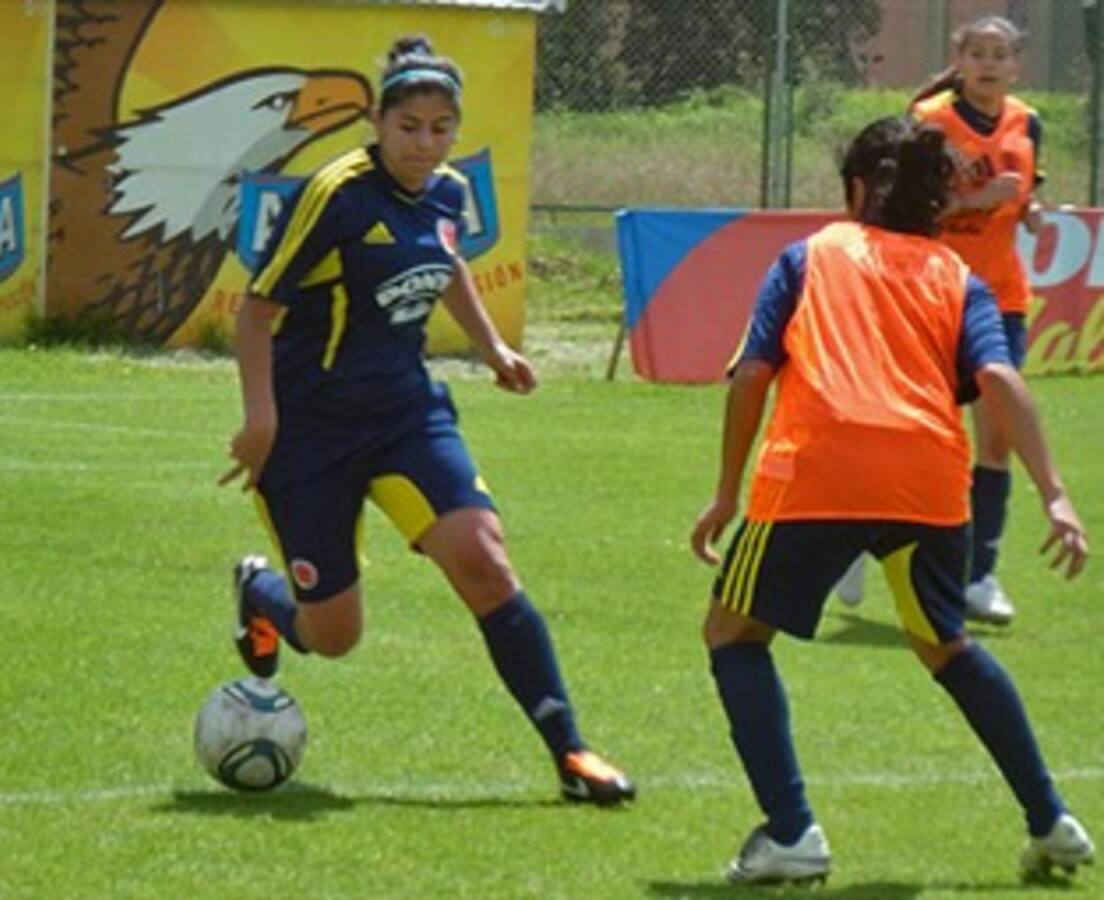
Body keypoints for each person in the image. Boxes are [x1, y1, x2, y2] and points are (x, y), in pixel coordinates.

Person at [217, 35, 634, 806]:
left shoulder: (445, 192)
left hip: (406, 415)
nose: (425, 142)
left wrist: (493, 348)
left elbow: (446, 264)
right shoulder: (337, 193)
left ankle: (571, 751)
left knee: (485, 561)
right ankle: (263, 595)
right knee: (334, 637)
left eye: (441, 127)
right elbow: (256, 309)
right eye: (409, 126)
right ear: (377, 121)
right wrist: (261, 420)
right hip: (310, 432)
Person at [690, 116, 1093, 885]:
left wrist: (724, 494)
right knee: (947, 647)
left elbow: (750, 376)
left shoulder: (808, 256)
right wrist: (1057, 496)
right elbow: (1001, 381)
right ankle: (1052, 821)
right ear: (938, 204)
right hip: (930, 482)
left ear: (853, 190)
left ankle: (791, 832)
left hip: (818, 470)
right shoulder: (959, 278)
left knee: (733, 634)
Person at [835, 16, 1044, 624]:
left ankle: (980, 575)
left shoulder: (1027, 120)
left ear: (1015, 66)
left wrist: (1026, 208)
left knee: (997, 435)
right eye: (977, 52)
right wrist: (977, 201)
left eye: (1000, 54)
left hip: (1000, 296)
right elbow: (903, 209)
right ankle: (851, 537)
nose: (988, 63)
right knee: (908, 428)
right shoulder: (930, 119)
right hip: (929, 292)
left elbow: (1025, 184)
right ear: (960, 59)